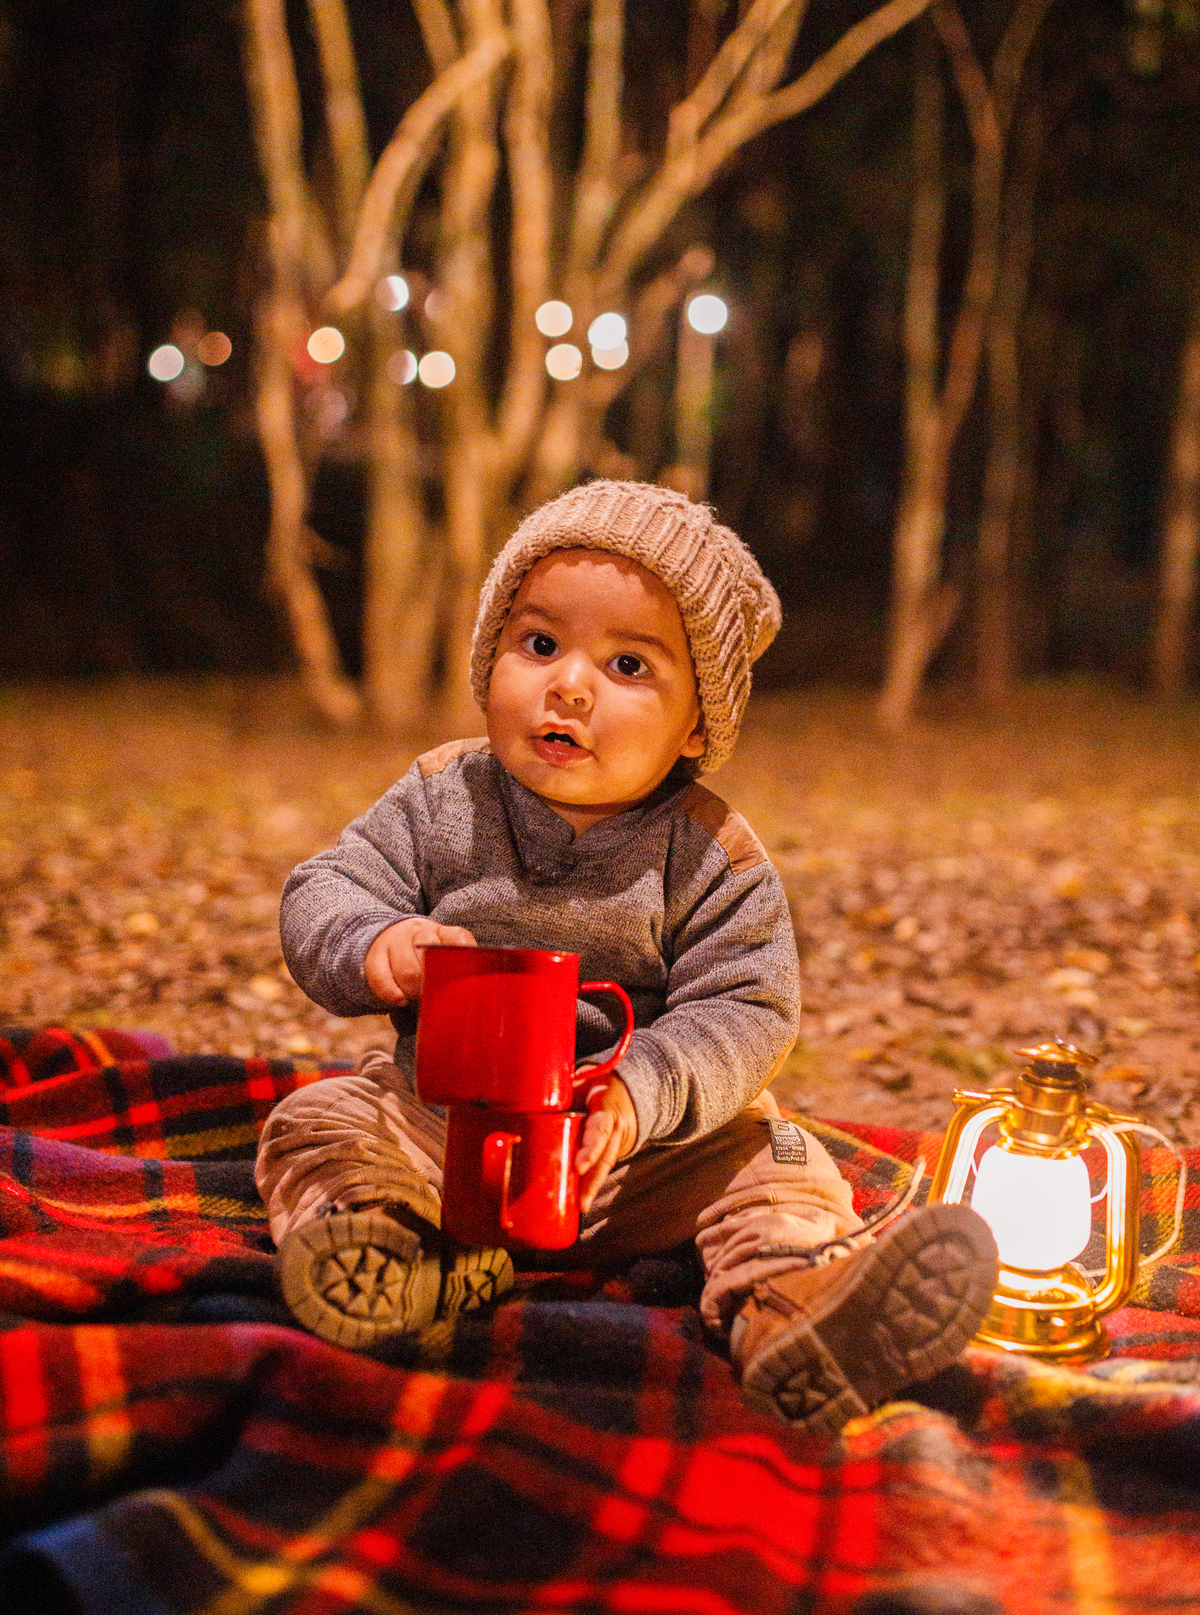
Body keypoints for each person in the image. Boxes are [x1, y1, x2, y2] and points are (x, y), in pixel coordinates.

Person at [256, 479, 997, 1434]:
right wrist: (373, 943)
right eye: (540, 645)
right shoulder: (445, 796)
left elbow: (749, 1008)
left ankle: (796, 1309)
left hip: (635, 1158)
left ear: (697, 727)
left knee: (782, 1161)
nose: (569, 684)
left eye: (629, 665)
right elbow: (326, 885)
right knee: (318, 1117)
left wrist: (645, 1089)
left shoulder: (709, 850)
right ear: (491, 659)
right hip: (443, 1132)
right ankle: (394, 1250)